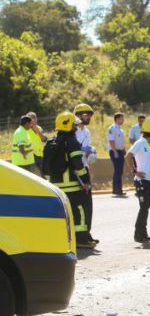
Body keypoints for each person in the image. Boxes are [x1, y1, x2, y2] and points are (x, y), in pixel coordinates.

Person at [43, 112, 97, 249]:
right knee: (79, 212)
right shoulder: (71, 142)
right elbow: (78, 165)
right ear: (68, 126)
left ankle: (61, 240)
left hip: (55, 187)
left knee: (61, 215)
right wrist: (86, 181)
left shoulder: (50, 143)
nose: (76, 127)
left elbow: (44, 167)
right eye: (74, 125)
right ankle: (81, 240)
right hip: (72, 186)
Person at [125, 116, 150, 243]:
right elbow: (128, 156)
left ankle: (143, 233)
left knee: (146, 206)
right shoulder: (140, 143)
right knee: (144, 206)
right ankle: (138, 234)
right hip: (142, 181)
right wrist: (134, 171)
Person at [74, 103, 98, 243]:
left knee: (88, 203)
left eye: (90, 114)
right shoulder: (73, 130)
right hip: (76, 171)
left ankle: (86, 234)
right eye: (86, 114)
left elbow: (86, 153)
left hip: (84, 168)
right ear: (79, 115)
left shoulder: (87, 132)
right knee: (80, 204)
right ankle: (80, 237)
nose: (89, 117)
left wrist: (90, 153)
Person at [107, 112, 127, 196]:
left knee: (120, 170)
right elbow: (111, 141)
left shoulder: (120, 130)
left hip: (120, 151)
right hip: (115, 151)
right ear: (117, 119)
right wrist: (115, 151)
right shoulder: (112, 128)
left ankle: (119, 189)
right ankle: (116, 189)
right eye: (121, 118)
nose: (123, 120)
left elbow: (121, 143)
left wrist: (125, 152)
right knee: (117, 170)